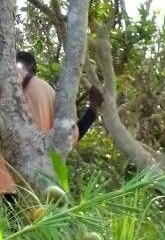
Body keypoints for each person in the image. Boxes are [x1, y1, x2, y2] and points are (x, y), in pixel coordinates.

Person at [0, 50, 103, 202]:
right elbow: (68, 137)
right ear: (35, 68)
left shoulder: (5, 82)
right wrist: (92, 112)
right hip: (37, 183)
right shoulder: (49, 92)